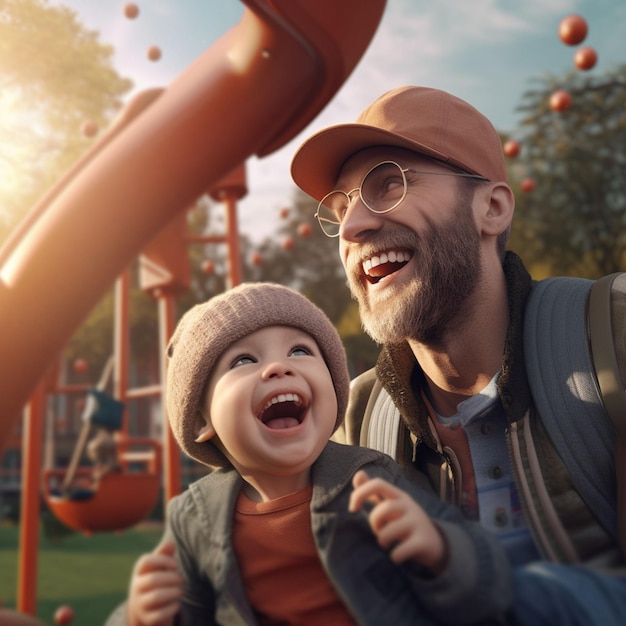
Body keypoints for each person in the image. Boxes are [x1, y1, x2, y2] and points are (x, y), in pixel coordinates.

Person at [290, 86, 626, 621]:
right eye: (341, 206)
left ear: (491, 208)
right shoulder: (354, 420)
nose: (352, 228)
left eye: (390, 184)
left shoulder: (611, 340)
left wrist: (475, 580)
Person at [106, 282, 513, 626]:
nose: (279, 368)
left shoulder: (372, 482)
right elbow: (191, 614)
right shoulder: (194, 519)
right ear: (200, 421)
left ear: (334, 393)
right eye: (244, 360)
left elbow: (488, 587)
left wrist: (441, 551)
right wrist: (141, 616)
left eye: (300, 351)